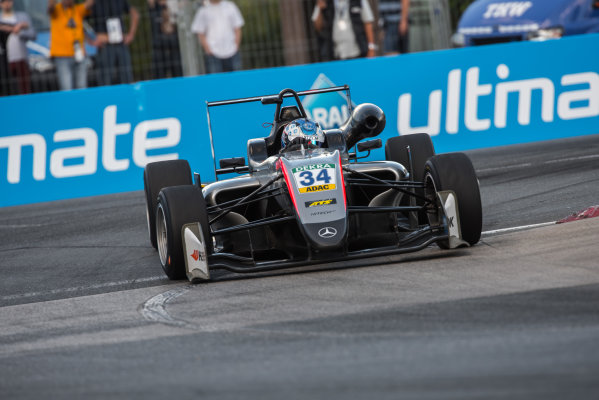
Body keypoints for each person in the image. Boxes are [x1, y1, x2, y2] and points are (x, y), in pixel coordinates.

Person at [89, 0, 139, 86]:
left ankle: (126, 97)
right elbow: (79, 18)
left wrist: (131, 34)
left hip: (120, 43)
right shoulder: (93, 3)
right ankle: (106, 98)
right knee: (105, 79)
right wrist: (92, 39)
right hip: (104, 46)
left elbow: (135, 14)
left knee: (126, 77)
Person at [48, 0, 92, 91]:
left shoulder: (77, 9)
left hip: (79, 54)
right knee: (66, 88)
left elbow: (89, 4)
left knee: (82, 87)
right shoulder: (56, 10)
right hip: (62, 56)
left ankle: (81, 105)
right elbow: (50, 6)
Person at [312, 0, 376, 61]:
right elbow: (318, 26)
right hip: (335, 53)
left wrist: (371, 47)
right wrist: (320, 9)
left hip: (357, 51)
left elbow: (367, 22)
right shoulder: (325, 1)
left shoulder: (358, 1)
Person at [191, 0, 244, 74]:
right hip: (213, 53)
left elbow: (237, 28)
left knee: (236, 81)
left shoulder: (230, 6)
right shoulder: (203, 10)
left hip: (232, 51)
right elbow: (200, 32)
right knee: (216, 82)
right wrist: (208, 49)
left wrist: (236, 46)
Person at [0, 0, 35, 94]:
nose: (7, 4)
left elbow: (33, 34)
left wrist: (20, 31)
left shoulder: (22, 16)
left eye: (9, 1)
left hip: (21, 58)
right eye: (3, 2)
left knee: (24, 88)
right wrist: (13, 28)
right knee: (7, 88)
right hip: (4, 60)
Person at [148, 0, 181, 79]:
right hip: (159, 47)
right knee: (159, 75)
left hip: (174, 46)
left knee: (177, 74)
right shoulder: (154, 6)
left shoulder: (173, 5)